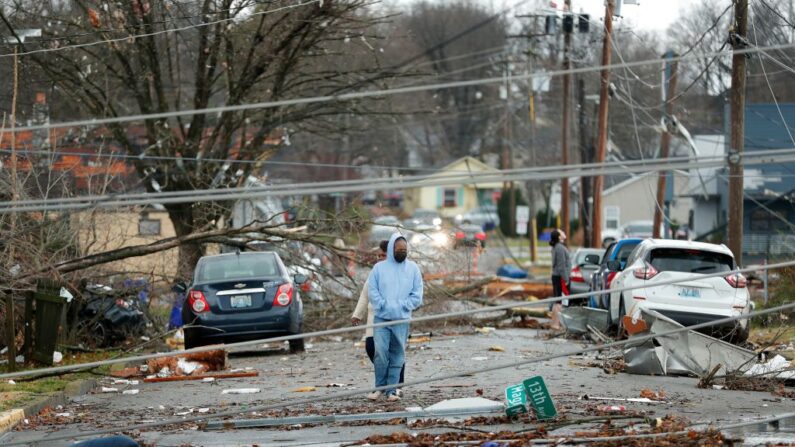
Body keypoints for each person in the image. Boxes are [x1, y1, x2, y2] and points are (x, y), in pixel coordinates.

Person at [366, 233, 423, 402]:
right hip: (382, 318)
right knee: (381, 353)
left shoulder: (413, 268)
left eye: (404, 250)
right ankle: (380, 388)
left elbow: (417, 294)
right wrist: (383, 305)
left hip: (402, 319)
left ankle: (392, 390)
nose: (401, 252)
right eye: (398, 249)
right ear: (391, 249)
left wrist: (403, 306)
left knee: (398, 354)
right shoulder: (378, 268)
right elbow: (372, 291)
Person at [351, 241, 406, 388]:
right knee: (371, 348)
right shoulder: (375, 272)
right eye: (378, 255)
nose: (379, 258)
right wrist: (357, 314)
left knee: (394, 352)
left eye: (383, 255)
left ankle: (396, 385)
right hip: (373, 318)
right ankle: (386, 382)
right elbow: (365, 294)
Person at [549, 229, 571, 330]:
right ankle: (555, 324)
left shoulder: (557, 247)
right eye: (561, 232)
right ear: (559, 237)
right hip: (559, 277)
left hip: (556, 276)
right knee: (559, 301)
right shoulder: (560, 248)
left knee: (557, 301)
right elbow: (561, 265)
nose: (564, 232)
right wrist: (566, 279)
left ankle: (555, 323)